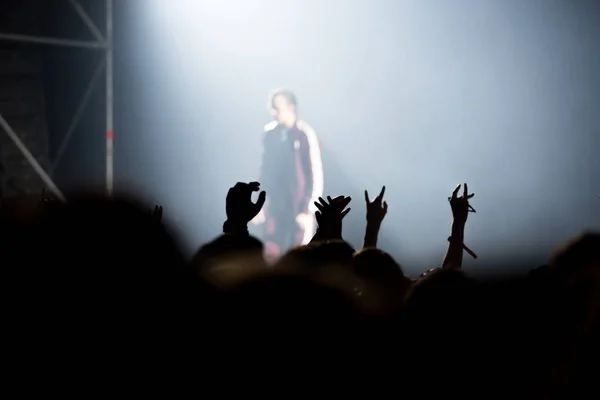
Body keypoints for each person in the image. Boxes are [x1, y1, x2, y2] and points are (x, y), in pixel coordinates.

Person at [252, 89, 323, 258]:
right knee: (270, 252)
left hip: (298, 208)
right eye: (272, 108)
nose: (274, 112)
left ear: (291, 107)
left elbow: (314, 175)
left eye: (277, 108)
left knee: (298, 256)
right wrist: (259, 204)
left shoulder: (304, 134)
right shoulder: (270, 135)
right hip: (276, 206)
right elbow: (265, 171)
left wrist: (306, 209)